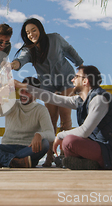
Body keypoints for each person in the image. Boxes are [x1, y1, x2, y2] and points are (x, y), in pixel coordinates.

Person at [14, 65, 112, 170]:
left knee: (69, 141)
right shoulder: (81, 100)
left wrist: (60, 135)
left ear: (85, 81)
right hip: (104, 148)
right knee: (70, 146)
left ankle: (90, 163)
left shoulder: (100, 99)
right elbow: (52, 98)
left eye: (76, 76)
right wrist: (22, 86)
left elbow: (84, 131)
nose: (72, 80)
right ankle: (89, 164)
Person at [10, 18, 84, 167]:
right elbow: (21, 60)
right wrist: (13, 64)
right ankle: (49, 157)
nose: (31, 34)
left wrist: (80, 65)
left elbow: (69, 49)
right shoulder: (29, 49)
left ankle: (64, 155)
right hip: (47, 84)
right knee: (50, 119)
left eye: (33, 30)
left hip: (66, 80)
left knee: (65, 118)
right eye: (28, 33)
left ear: (40, 29)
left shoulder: (55, 38)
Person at [0, 77, 55, 168]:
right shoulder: (13, 104)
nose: (23, 94)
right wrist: (3, 95)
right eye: (22, 90)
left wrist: (40, 135)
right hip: (6, 148)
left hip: (26, 149)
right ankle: (14, 161)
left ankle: (1, 160)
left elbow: (51, 134)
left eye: (27, 92)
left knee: (45, 144)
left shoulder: (41, 110)